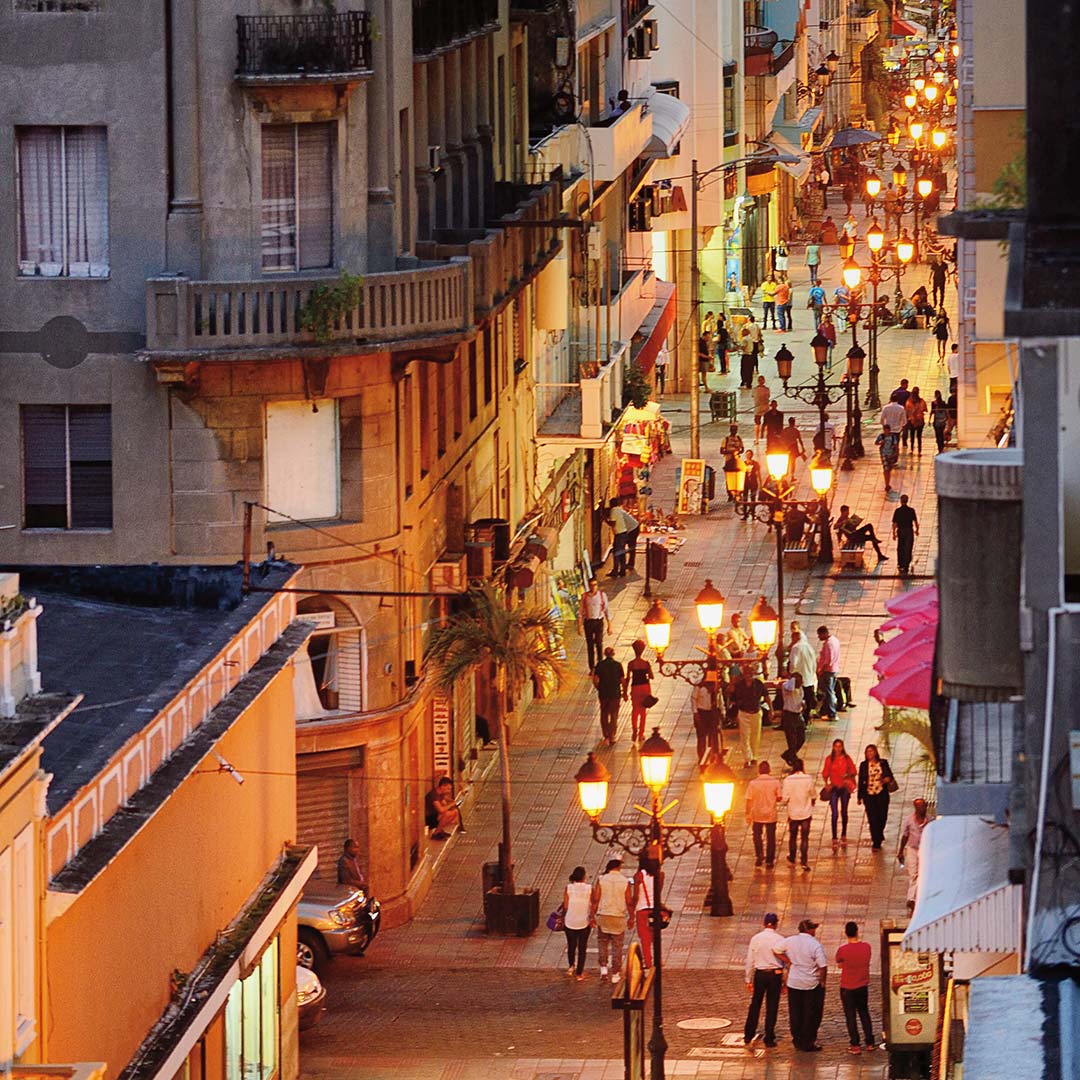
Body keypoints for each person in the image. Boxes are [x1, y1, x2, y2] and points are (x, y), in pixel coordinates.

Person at [774, 920, 828, 1052]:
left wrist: (788, 961)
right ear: (809, 930)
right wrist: (822, 981)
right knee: (811, 1013)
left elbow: (776, 950)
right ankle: (808, 1041)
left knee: (796, 1012)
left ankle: (797, 1039)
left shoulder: (790, 940)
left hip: (794, 982)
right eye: (814, 929)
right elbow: (823, 966)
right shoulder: (815, 945)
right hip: (811, 983)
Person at [744, 912, 786, 1047]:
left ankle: (748, 1034)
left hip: (760, 974)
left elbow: (750, 960)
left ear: (764, 923)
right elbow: (784, 961)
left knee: (755, 1004)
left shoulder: (756, 938)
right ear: (776, 924)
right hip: (775, 974)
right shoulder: (780, 939)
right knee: (772, 1006)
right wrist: (785, 981)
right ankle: (769, 1037)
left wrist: (748, 979)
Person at [836, 921, 877, 1054]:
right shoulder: (866, 947)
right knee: (864, 1013)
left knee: (851, 1016)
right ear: (857, 931)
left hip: (847, 987)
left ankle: (855, 1044)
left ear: (845, 933)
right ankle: (870, 1042)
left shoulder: (842, 950)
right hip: (862, 985)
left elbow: (840, 964)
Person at [591, 858, 630, 982]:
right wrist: (632, 917)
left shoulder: (602, 880)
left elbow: (596, 899)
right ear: (619, 868)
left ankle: (603, 969)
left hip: (604, 915)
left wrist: (592, 915)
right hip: (618, 915)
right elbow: (629, 901)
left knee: (602, 942)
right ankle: (616, 973)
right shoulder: (624, 881)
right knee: (617, 946)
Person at [857, 744, 896, 850]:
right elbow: (861, 781)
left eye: (871, 751)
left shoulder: (883, 763)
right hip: (869, 795)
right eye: (867, 752)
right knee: (872, 818)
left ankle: (879, 833)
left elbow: (890, 775)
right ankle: (876, 841)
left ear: (875, 752)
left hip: (881, 793)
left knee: (882, 816)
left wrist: (886, 779)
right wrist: (859, 796)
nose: (870, 753)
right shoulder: (864, 765)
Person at [898, 798, 932, 914]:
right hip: (912, 849)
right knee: (914, 874)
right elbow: (905, 836)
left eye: (923, 806)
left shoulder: (930, 821)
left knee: (922, 874)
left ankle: (916, 897)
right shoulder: (909, 821)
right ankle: (911, 898)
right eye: (919, 807)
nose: (922, 809)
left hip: (925, 849)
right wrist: (900, 851)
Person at [822, 739, 857, 850]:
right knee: (834, 813)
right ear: (833, 747)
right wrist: (826, 784)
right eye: (836, 746)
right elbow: (825, 773)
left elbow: (853, 771)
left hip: (844, 788)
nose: (837, 748)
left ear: (842, 747)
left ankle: (843, 834)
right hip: (834, 788)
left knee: (844, 812)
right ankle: (834, 837)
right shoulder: (829, 759)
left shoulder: (847, 759)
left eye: (839, 746)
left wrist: (848, 776)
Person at [782, 757, 816, 870]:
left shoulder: (788, 780)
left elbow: (785, 798)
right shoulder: (808, 779)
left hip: (793, 813)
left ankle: (792, 857)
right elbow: (813, 794)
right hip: (806, 812)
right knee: (804, 838)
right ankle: (804, 861)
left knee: (793, 836)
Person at [746, 761, 782, 868]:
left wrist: (747, 813)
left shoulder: (753, 783)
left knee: (757, 835)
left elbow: (748, 799)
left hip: (757, 813)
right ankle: (769, 860)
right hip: (771, 813)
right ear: (769, 770)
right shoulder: (775, 782)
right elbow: (779, 797)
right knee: (771, 837)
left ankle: (759, 855)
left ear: (759, 770)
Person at [731, 668, 770, 768]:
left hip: (756, 712)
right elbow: (733, 699)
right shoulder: (739, 685)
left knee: (755, 736)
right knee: (745, 736)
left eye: (750, 673)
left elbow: (766, 696)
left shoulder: (758, 684)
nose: (748, 675)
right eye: (747, 673)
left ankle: (754, 757)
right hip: (744, 713)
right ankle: (747, 758)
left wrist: (771, 710)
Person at [629, 854, 662, 968]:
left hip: (642, 909)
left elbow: (636, 896)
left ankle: (648, 962)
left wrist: (631, 912)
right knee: (655, 936)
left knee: (645, 939)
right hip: (655, 910)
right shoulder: (659, 875)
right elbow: (658, 892)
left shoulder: (638, 876)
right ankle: (659, 959)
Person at [563, 866, 593, 980]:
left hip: (570, 920)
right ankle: (579, 973)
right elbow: (593, 903)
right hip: (583, 921)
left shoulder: (568, 888)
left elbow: (565, 906)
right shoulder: (589, 888)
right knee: (582, 948)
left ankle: (571, 966)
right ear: (584, 876)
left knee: (571, 945)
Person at [623, 640, 655, 743]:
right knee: (643, 712)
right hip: (645, 687)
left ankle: (634, 729)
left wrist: (624, 692)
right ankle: (641, 734)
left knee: (635, 710)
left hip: (635, 687)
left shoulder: (631, 664)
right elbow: (651, 676)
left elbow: (627, 678)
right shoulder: (646, 663)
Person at [579, 577, 613, 671]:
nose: (593, 587)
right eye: (591, 585)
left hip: (598, 621)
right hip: (588, 622)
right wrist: (580, 626)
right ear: (589, 586)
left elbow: (606, 610)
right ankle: (592, 667)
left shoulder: (602, 596)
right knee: (590, 645)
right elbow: (581, 612)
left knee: (599, 643)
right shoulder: (585, 596)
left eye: (595, 585)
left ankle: (600, 664)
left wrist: (609, 625)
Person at [592, 646, 624, 745]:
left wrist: (598, 688)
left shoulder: (600, 665)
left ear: (605, 654)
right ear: (613, 654)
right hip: (615, 693)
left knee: (604, 714)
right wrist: (625, 692)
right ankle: (612, 735)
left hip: (604, 693)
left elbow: (595, 679)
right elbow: (623, 680)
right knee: (614, 714)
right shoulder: (618, 665)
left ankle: (605, 734)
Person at [788, 629, 817, 724]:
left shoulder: (796, 647)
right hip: (809, 678)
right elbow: (814, 662)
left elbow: (793, 663)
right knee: (808, 700)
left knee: (797, 700)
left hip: (799, 679)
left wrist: (791, 674)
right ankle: (806, 718)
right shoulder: (809, 647)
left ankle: (797, 720)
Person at [779, 672, 807, 767]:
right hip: (789, 715)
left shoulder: (800, 689)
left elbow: (800, 698)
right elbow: (790, 687)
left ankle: (788, 754)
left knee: (801, 737)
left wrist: (803, 703)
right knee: (792, 740)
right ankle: (793, 760)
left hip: (797, 715)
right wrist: (793, 680)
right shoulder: (786, 686)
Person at [691, 680, 720, 766]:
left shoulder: (717, 685)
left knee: (713, 736)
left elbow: (719, 698)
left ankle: (712, 756)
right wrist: (695, 712)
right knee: (701, 737)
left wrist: (722, 712)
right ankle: (701, 757)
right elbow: (693, 699)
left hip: (712, 713)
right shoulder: (699, 686)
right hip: (702, 713)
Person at [608, 499, 640, 575]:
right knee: (624, 549)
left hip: (632, 529)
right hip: (630, 528)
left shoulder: (614, 511)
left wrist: (605, 520)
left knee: (628, 547)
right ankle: (624, 567)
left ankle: (628, 565)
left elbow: (613, 523)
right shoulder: (618, 509)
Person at [815, 625, 841, 721]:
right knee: (829, 691)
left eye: (819, 635)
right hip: (834, 669)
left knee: (829, 692)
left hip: (828, 671)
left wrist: (821, 669)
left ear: (824, 633)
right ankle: (826, 711)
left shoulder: (828, 644)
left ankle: (832, 713)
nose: (818, 637)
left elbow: (828, 659)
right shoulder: (835, 640)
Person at [892, 494, 919, 574]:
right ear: (907, 500)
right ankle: (906, 565)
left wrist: (894, 533)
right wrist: (917, 530)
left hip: (901, 531)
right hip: (909, 531)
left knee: (901, 547)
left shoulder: (897, 511)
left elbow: (894, 523)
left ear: (901, 501)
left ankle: (901, 564)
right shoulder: (911, 510)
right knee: (908, 548)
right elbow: (915, 522)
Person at [721, 424, 744, 501]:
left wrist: (738, 452)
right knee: (729, 478)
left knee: (738, 477)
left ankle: (738, 494)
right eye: (733, 430)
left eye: (735, 430)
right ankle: (730, 494)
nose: (734, 431)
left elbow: (742, 449)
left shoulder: (739, 438)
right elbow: (721, 450)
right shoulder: (726, 439)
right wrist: (730, 452)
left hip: (737, 461)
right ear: (730, 430)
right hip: (729, 461)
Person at [739, 315, 763, 389]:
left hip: (748, 347)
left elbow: (742, 346)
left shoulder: (747, 327)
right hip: (755, 343)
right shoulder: (757, 326)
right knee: (755, 357)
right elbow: (760, 334)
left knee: (744, 368)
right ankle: (756, 368)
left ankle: (744, 381)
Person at [875, 423, 900, 494]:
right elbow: (876, 443)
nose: (886, 432)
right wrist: (881, 443)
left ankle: (887, 481)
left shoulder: (893, 437)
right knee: (886, 468)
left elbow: (896, 445)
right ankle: (887, 484)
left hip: (891, 454)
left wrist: (896, 453)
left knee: (889, 469)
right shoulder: (881, 436)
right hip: (884, 454)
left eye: (887, 430)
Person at [905, 386, 927, 453]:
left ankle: (912, 449)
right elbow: (925, 409)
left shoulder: (908, 402)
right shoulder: (922, 401)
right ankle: (919, 450)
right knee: (919, 436)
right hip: (920, 420)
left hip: (911, 420)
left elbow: (906, 411)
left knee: (912, 435)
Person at [740, 450, 761, 519]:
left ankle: (752, 513)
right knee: (744, 498)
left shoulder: (755, 464)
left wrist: (760, 483)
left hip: (753, 483)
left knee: (753, 498)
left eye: (749, 454)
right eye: (747, 454)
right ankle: (745, 514)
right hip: (745, 483)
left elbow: (758, 474)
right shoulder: (743, 464)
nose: (748, 456)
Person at [752, 375, 770, 442]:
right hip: (766, 408)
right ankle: (766, 437)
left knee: (757, 424)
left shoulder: (754, 389)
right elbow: (768, 396)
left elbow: (752, 396)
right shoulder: (767, 389)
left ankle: (757, 439)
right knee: (766, 424)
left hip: (757, 408)